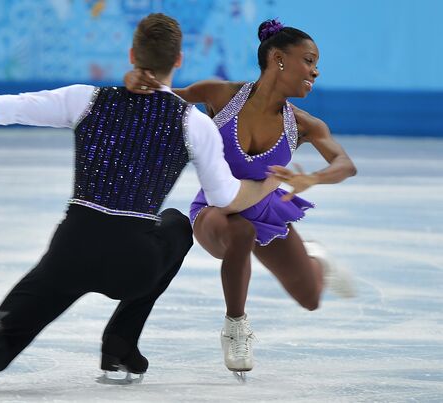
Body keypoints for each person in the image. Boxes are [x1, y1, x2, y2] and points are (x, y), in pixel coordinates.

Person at [0, 14, 280, 383]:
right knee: (177, 225)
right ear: (178, 60)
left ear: (131, 54)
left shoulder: (87, 100)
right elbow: (225, 198)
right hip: (134, 263)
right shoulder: (193, 122)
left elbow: (12, 107)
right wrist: (268, 183)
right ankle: (120, 343)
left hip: (70, 251)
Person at [124, 18, 357, 375]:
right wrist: (136, 81)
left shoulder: (305, 124)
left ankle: (316, 260)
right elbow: (161, 100)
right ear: (278, 58)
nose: (316, 70)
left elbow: (344, 164)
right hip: (215, 213)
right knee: (240, 232)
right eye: (309, 60)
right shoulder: (221, 96)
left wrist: (314, 177)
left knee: (310, 299)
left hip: (269, 212)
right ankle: (236, 327)